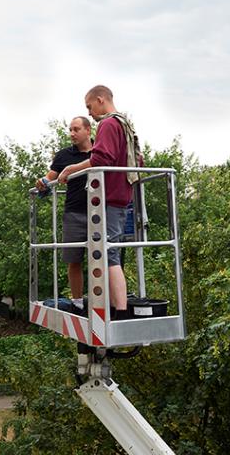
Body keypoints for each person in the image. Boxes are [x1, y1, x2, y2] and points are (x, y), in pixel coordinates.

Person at [58, 85, 139, 320]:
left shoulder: (108, 124)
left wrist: (73, 168)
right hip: (123, 195)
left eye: (89, 107)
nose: (90, 113)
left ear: (101, 100)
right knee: (109, 252)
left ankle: (120, 311)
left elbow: (101, 157)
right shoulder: (125, 124)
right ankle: (116, 307)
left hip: (111, 196)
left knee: (110, 254)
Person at [35, 116, 93, 298]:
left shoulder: (101, 152)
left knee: (103, 260)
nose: (72, 134)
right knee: (74, 260)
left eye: (76, 129)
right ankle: (77, 302)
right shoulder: (64, 155)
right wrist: (42, 183)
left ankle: (103, 302)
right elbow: (49, 179)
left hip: (101, 212)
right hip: (74, 213)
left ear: (88, 130)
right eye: (70, 130)